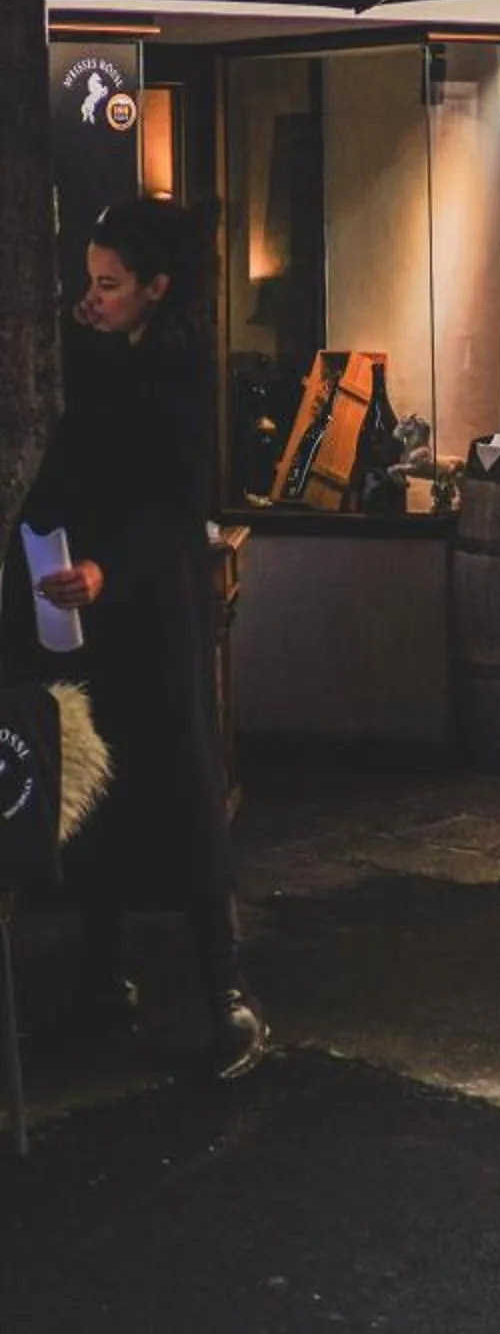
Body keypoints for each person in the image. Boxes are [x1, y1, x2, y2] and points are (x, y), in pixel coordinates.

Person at [2, 199, 267, 1081]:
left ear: (157, 286)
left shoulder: (181, 371)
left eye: (109, 284)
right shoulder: (103, 350)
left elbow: (179, 504)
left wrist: (107, 569)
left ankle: (228, 994)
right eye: (88, 280)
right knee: (95, 784)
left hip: (152, 605)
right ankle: (102, 979)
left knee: (182, 784)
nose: (92, 297)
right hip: (85, 602)